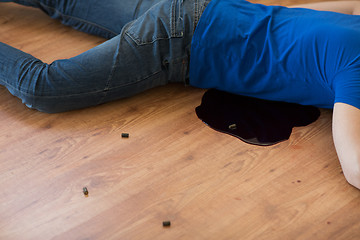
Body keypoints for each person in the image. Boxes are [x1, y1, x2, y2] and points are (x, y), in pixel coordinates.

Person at [0, 0, 360, 190]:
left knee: (69, 1)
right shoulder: (356, 73)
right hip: (181, 44)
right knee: (42, 87)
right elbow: (354, 168)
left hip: (205, 8)